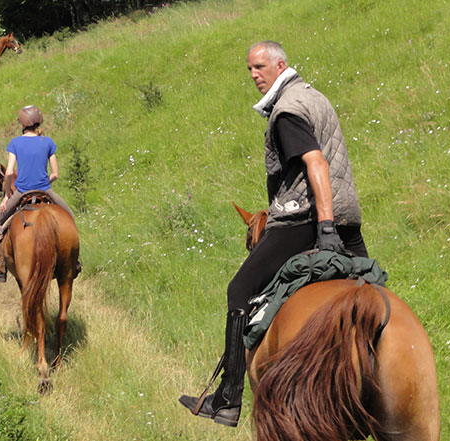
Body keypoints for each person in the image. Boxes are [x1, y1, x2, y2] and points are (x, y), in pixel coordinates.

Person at [178, 41, 368, 427]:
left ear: (281, 63)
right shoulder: (315, 97)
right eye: (249, 69)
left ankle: (227, 399)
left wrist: (325, 227)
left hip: (305, 219)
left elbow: (315, 162)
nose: (253, 75)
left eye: (260, 67)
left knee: (238, 289)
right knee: (372, 293)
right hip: (349, 218)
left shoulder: (286, 111)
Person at [0, 105, 75, 283]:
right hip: (45, 189)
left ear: (22, 123)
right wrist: (43, 184)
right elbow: (56, 173)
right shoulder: (48, 142)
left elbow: (10, 171)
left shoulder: (16, 143)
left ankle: (1, 267)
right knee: (70, 218)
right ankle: (74, 261)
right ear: (39, 122)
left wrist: (6, 196)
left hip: (21, 193)